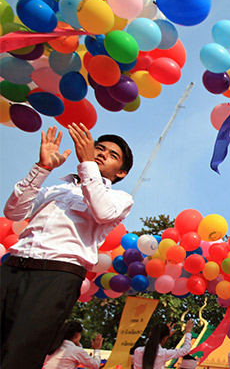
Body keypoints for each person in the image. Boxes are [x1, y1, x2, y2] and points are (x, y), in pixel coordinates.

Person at [1, 124, 133, 369]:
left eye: (112, 155)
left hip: (55, 277)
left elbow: (103, 212)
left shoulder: (120, 199)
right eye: (99, 148)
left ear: (121, 172)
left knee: (19, 353)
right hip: (10, 268)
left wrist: (87, 166)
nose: (102, 154)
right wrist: (43, 168)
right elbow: (13, 211)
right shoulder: (55, 188)